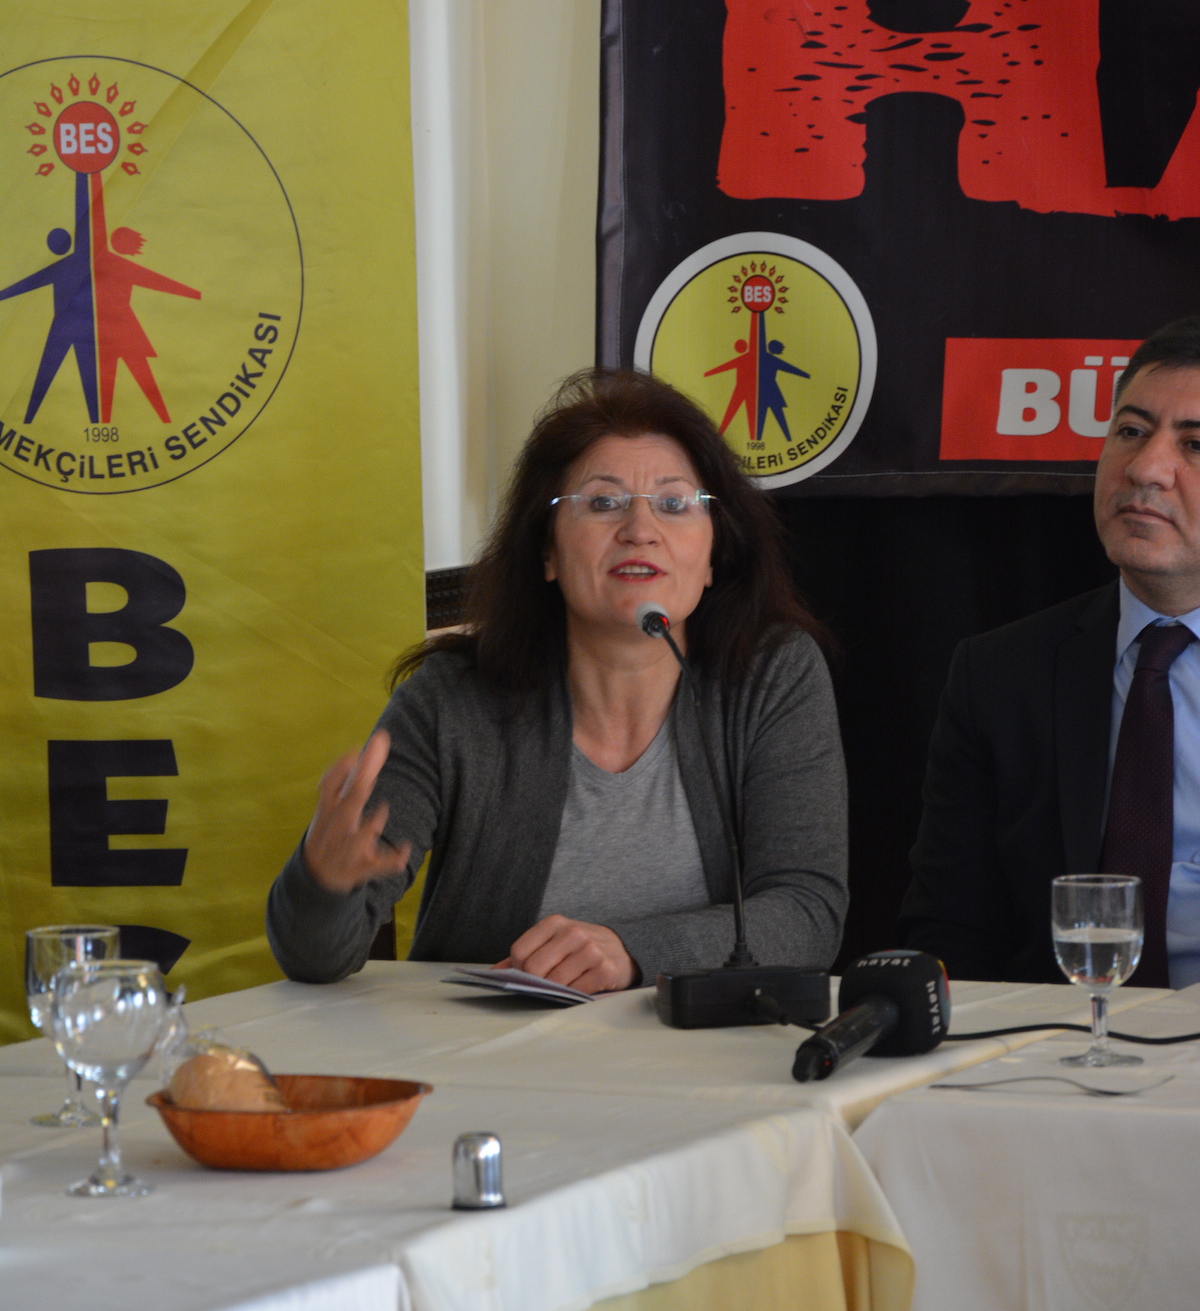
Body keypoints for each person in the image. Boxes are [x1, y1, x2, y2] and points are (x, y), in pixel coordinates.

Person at [267, 368, 848, 990]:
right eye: (602, 502)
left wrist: (633, 952)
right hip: (484, 1046)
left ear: (712, 556)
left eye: (674, 504)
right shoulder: (452, 700)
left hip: (698, 1045)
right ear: (547, 551)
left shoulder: (770, 676)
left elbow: (806, 915)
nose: (640, 529)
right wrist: (322, 882)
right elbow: (312, 957)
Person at [900, 315, 1200, 988]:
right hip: (1056, 1035)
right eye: (1131, 431)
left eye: (1196, 444)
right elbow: (950, 930)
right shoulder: (999, 675)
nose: (1145, 468)